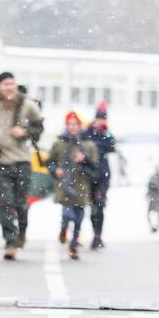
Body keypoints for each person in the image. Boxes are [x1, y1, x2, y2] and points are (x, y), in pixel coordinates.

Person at [0, 72, 43, 260]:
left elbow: (39, 128)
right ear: (0, 86)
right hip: (1, 162)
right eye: (6, 84)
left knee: (21, 204)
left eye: (12, 84)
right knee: (5, 203)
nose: (9, 87)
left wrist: (24, 132)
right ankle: (10, 242)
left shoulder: (27, 105)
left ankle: (22, 230)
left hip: (22, 161)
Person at [47, 112, 99, 261]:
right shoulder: (59, 143)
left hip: (82, 183)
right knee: (67, 213)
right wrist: (55, 169)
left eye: (75, 124)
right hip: (64, 183)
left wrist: (85, 160)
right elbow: (50, 161)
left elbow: (95, 167)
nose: (72, 127)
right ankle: (64, 228)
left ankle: (74, 244)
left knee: (79, 217)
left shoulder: (88, 144)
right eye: (70, 124)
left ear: (80, 126)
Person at [81, 102, 116, 249]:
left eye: (104, 118)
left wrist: (105, 132)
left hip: (102, 175)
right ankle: (77, 233)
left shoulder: (106, 134)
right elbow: (79, 141)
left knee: (99, 206)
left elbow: (111, 147)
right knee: (84, 205)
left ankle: (97, 236)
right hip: (87, 173)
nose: (101, 121)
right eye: (100, 118)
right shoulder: (87, 132)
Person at [146, 167, 159, 233]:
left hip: (158, 199)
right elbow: (150, 187)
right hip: (155, 198)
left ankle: (156, 226)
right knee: (152, 213)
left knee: (158, 213)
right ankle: (154, 226)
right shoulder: (154, 178)